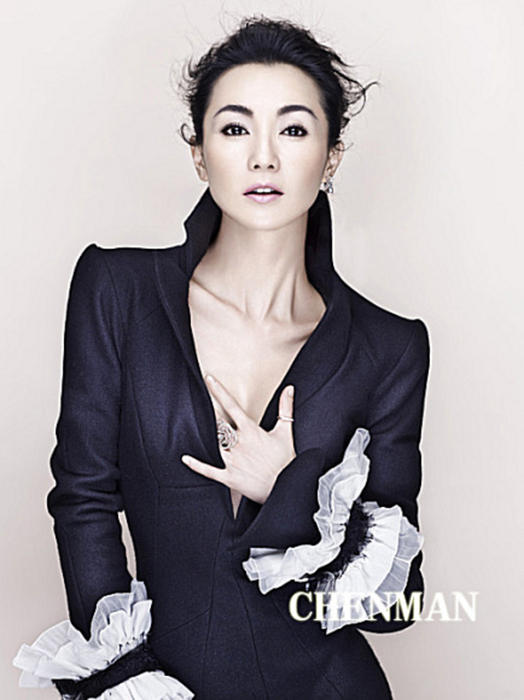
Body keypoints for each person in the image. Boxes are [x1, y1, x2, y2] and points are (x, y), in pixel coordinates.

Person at [13, 16, 431, 699]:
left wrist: (291, 487)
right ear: (200, 154)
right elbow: (82, 498)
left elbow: (399, 602)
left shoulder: (389, 347)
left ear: (331, 158)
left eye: (293, 130)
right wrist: (128, 680)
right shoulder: (117, 291)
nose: (264, 158)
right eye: (236, 128)